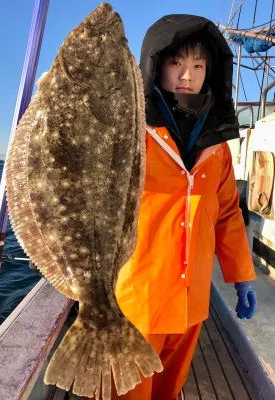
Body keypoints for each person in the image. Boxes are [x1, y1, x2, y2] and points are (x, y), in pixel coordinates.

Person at [112, 14, 258, 400]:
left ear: (210, 71)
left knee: (168, 390)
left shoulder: (218, 146)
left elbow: (227, 214)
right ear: (156, 66)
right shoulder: (127, 131)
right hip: (137, 299)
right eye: (176, 63)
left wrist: (241, 274)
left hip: (192, 302)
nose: (186, 75)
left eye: (197, 65)